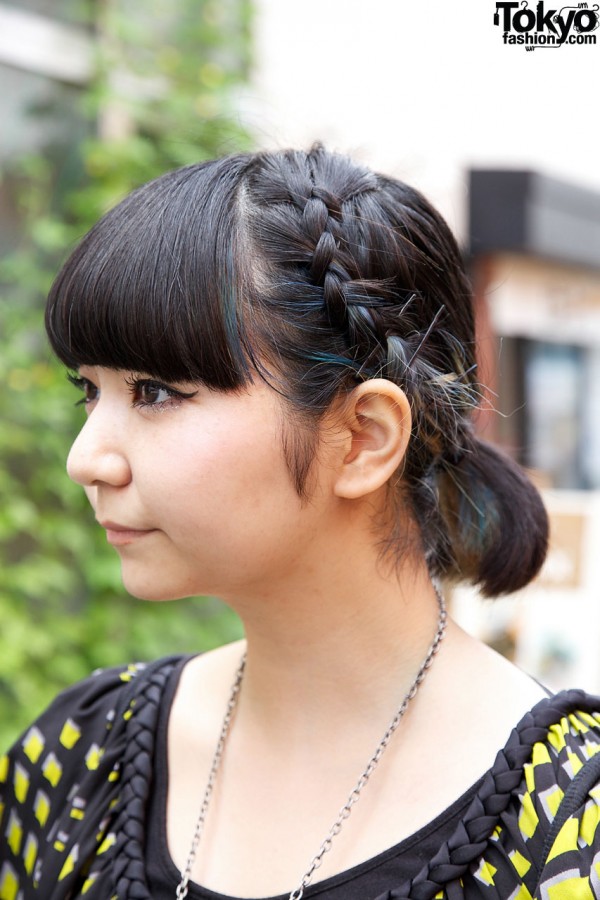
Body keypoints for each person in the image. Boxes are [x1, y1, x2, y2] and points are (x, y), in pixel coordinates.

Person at [1, 145, 599, 900]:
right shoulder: (82, 761)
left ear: (364, 437)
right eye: (89, 391)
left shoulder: (566, 826)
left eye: (155, 391)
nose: (86, 458)